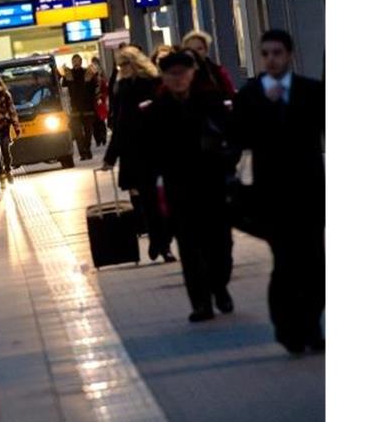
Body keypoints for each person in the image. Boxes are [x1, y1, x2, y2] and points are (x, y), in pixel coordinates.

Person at [229, 29, 325, 354]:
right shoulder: (251, 96)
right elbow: (236, 139)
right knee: (285, 263)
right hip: (272, 197)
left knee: (314, 265)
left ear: (289, 55)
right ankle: (288, 329)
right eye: (266, 53)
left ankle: (311, 326)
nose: (271, 60)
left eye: (277, 53)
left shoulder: (311, 92)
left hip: (310, 193)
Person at [142, 48, 236, 322]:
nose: (178, 79)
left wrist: (227, 159)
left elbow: (232, 136)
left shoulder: (210, 101)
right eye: (172, 74)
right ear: (163, 77)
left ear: (192, 74)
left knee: (221, 246)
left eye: (183, 73)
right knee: (190, 248)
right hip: (178, 188)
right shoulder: (157, 110)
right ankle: (201, 303)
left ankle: (219, 286)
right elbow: (150, 151)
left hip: (213, 184)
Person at [102, 46, 175, 263]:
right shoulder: (122, 88)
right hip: (135, 152)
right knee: (149, 202)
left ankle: (162, 239)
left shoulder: (154, 82)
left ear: (134, 64)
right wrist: (110, 156)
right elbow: (120, 124)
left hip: (157, 148)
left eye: (124, 64)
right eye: (119, 65)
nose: (121, 69)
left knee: (166, 200)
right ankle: (160, 243)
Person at [60, 54, 97, 160]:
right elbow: (64, 91)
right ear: (72, 62)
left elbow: (94, 88)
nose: (76, 63)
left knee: (88, 132)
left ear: (81, 61)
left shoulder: (88, 73)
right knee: (77, 133)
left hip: (87, 108)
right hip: (74, 109)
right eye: (74, 61)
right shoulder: (68, 75)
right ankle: (83, 153)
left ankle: (87, 149)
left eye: (77, 60)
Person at [181, 30, 236, 99]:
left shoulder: (217, 72)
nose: (195, 52)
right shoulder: (178, 73)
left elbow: (230, 94)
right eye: (191, 49)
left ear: (206, 50)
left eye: (199, 48)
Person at [91, 56, 109, 147]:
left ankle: (103, 138)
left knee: (100, 120)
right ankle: (98, 139)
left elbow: (105, 90)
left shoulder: (101, 78)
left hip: (100, 101)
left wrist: (102, 96)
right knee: (95, 122)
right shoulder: (90, 78)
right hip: (93, 102)